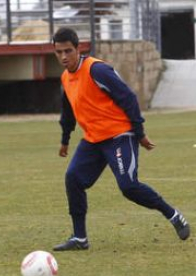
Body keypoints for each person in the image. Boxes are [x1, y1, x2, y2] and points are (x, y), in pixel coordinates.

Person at [51, 28, 190, 251]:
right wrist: (65, 139)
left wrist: (140, 133)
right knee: (73, 178)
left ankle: (173, 214)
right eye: (59, 52)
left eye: (68, 50)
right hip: (94, 140)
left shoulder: (97, 70)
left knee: (129, 186)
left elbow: (128, 98)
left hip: (119, 135)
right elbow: (67, 112)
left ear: (79, 49)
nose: (64, 56)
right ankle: (79, 238)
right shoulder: (66, 78)